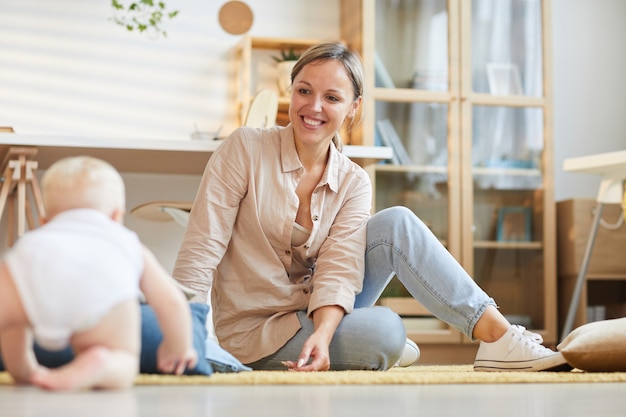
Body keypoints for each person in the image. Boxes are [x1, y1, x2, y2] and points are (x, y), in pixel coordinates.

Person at [173, 41, 568, 372]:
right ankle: (370, 341)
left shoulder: (352, 180)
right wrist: (183, 334)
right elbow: (203, 245)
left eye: (332, 97)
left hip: (317, 314)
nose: (313, 107)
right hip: (253, 333)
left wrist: (324, 337)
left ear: (353, 108)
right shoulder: (244, 148)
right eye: (304, 91)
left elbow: (340, 267)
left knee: (397, 223)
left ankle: (498, 337)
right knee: (385, 332)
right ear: (290, 92)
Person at [0, 156, 198, 390]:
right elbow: (171, 301)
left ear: (45, 221)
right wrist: (178, 346)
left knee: (11, 313)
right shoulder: (126, 243)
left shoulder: (35, 242)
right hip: (99, 300)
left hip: (31, 284)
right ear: (117, 216)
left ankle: (23, 369)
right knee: (124, 360)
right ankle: (101, 362)